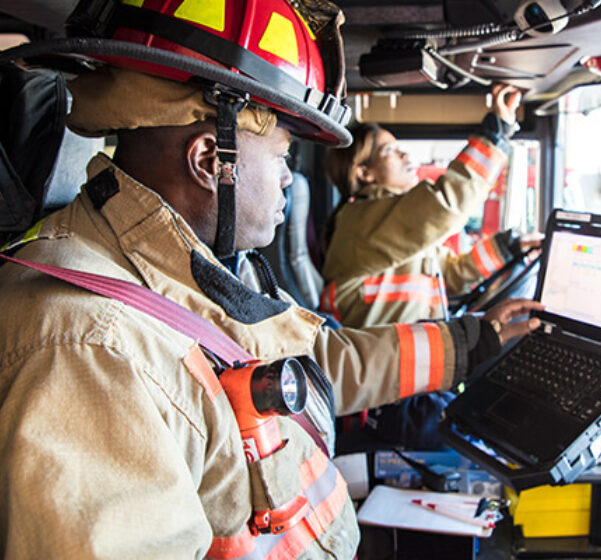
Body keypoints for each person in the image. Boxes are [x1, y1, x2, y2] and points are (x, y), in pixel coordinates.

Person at [0, 1, 543, 559]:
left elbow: (315, 367)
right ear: (212, 159)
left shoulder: (200, 268)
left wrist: (476, 341)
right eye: (283, 153)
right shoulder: (90, 347)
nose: (289, 177)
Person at [319, 83, 541, 328]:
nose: (405, 155)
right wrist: (494, 135)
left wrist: (509, 247)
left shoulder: (389, 221)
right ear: (364, 172)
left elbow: (452, 274)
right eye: (390, 150)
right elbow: (445, 205)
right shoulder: (357, 221)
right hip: (388, 361)